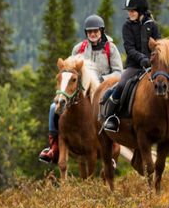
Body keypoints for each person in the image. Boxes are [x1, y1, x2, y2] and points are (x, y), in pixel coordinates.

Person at [39, 14, 123, 163]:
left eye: (95, 31)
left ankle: (114, 143)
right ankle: (53, 148)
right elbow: (70, 69)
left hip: (102, 89)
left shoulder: (111, 48)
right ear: (86, 33)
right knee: (53, 108)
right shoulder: (78, 48)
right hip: (81, 92)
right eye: (89, 31)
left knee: (112, 107)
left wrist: (101, 80)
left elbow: (118, 72)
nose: (93, 34)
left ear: (101, 31)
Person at [100, 0, 161, 133]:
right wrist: (142, 59)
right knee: (121, 85)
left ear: (141, 11)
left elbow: (159, 44)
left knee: (164, 81)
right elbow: (129, 48)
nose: (130, 13)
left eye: (132, 10)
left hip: (152, 65)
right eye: (129, 11)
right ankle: (111, 117)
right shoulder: (127, 26)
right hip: (134, 65)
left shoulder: (152, 25)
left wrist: (153, 58)